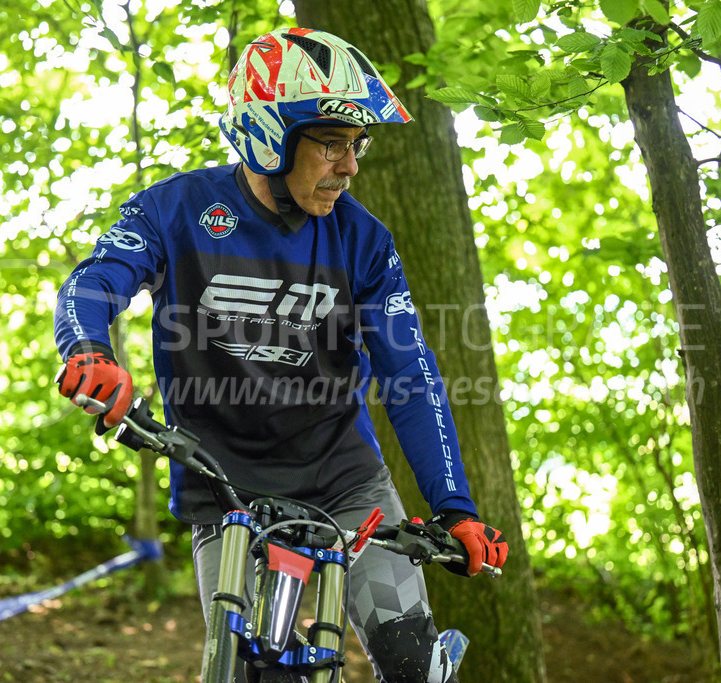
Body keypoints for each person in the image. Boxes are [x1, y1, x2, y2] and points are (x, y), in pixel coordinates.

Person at [54, 27, 508, 682]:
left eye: (356, 147)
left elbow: (410, 373)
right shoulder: (176, 210)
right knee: (247, 672)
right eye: (331, 145)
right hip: (225, 487)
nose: (350, 167)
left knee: (416, 671)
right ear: (269, 136)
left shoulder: (364, 241)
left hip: (347, 485)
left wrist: (455, 506)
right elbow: (93, 282)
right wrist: (92, 352)